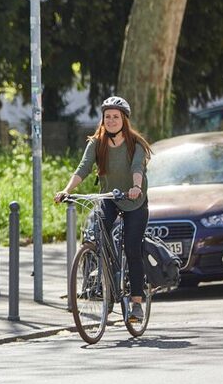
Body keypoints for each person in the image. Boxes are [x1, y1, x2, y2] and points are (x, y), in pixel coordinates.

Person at [54, 96, 152, 322]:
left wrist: (137, 187)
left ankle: (136, 302)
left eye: (115, 117)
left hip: (134, 200)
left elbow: (137, 167)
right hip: (110, 197)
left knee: (132, 248)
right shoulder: (96, 142)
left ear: (124, 120)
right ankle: (105, 280)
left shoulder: (134, 144)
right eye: (107, 117)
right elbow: (83, 167)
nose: (111, 120)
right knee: (98, 234)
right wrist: (66, 190)